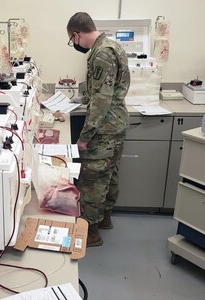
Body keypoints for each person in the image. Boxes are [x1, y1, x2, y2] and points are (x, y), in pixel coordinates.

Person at [67, 12, 130, 247]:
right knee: (110, 172)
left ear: (77, 34)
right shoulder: (113, 45)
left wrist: (85, 137)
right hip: (117, 123)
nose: (75, 44)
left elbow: (102, 100)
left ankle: (91, 233)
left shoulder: (101, 54)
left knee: (92, 178)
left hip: (104, 129)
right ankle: (105, 219)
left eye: (73, 40)